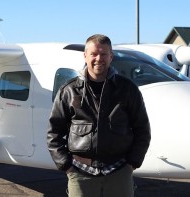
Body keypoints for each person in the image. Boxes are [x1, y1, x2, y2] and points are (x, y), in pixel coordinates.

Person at [47, 34, 151, 197]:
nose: (98, 59)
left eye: (104, 54)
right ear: (85, 56)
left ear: (111, 57)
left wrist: (132, 163)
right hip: (80, 174)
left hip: (119, 172)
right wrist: (66, 166)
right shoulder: (69, 90)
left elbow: (142, 130)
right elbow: (53, 132)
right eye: (94, 54)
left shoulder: (128, 89)